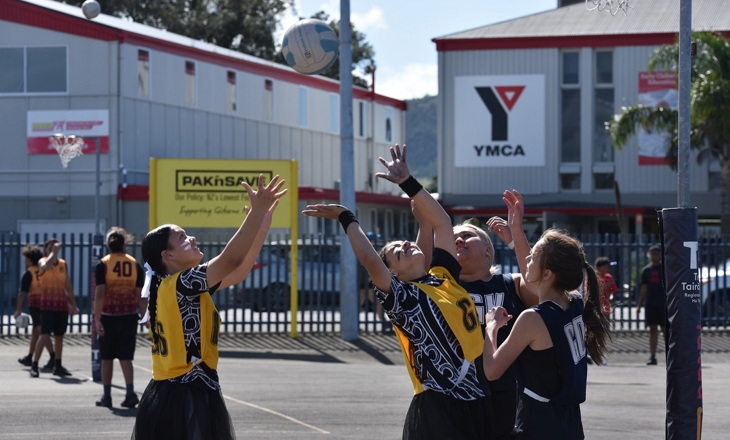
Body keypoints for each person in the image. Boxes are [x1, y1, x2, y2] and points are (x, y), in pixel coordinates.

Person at [303, 145, 492, 440]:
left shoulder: (443, 277)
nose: (404, 245)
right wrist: (347, 218)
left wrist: (408, 183)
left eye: (403, 242)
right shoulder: (403, 298)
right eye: (396, 252)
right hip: (440, 404)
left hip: (476, 396)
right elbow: (369, 259)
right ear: (392, 272)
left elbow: (441, 222)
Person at [132, 174, 286, 440]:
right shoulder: (182, 283)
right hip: (185, 395)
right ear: (167, 256)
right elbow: (230, 260)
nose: (191, 238)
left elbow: (237, 271)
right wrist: (255, 213)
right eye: (181, 238)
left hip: (177, 390)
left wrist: (260, 229)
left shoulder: (175, 286)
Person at [482, 189, 610, 440]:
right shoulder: (573, 301)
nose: (527, 261)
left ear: (549, 273)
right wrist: (515, 232)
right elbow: (535, 280)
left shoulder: (532, 319)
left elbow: (492, 371)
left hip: (539, 423)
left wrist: (491, 328)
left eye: (534, 257)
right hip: (569, 423)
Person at [418, 216, 538, 439]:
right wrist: (425, 220)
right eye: (453, 239)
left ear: (487, 250)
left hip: (506, 391)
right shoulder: (441, 288)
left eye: (467, 236)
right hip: (455, 392)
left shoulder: (511, 283)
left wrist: (514, 238)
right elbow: (419, 267)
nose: (459, 241)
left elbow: (538, 285)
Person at [94, 227, 147, 409]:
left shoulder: (103, 264)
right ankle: (130, 392)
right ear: (124, 244)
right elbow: (140, 296)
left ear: (108, 245)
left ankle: (107, 395)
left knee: (106, 357)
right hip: (129, 316)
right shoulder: (134, 264)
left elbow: (100, 293)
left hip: (109, 315)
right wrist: (145, 317)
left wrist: (97, 318)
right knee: (126, 357)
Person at [30, 238, 80, 378]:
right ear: (47, 249)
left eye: (55, 247)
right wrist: (53, 253)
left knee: (59, 336)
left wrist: (74, 304)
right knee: (44, 335)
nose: (54, 250)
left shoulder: (63, 264)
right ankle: (35, 364)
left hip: (61, 306)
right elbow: (44, 266)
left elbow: (67, 285)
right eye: (50, 248)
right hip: (47, 306)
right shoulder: (43, 260)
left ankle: (58, 365)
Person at [15, 244, 55, 368]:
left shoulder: (28, 274)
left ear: (30, 259)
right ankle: (30, 356)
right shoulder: (44, 269)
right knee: (35, 331)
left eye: (25, 257)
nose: (24, 260)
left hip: (36, 304)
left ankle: (53, 356)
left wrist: (18, 310)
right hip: (47, 302)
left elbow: (22, 294)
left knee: (41, 331)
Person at [636, 244, 665, 365]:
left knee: (665, 329)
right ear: (650, 255)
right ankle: (652, 356)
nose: (655, 256)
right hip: (651, 303)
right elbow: (644, 288)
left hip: (663, 303)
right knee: (653, 329)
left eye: (657, 254)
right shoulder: (646, 270)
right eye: (653, 254)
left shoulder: (665, 269)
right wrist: (639, 305)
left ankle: (670, 354)